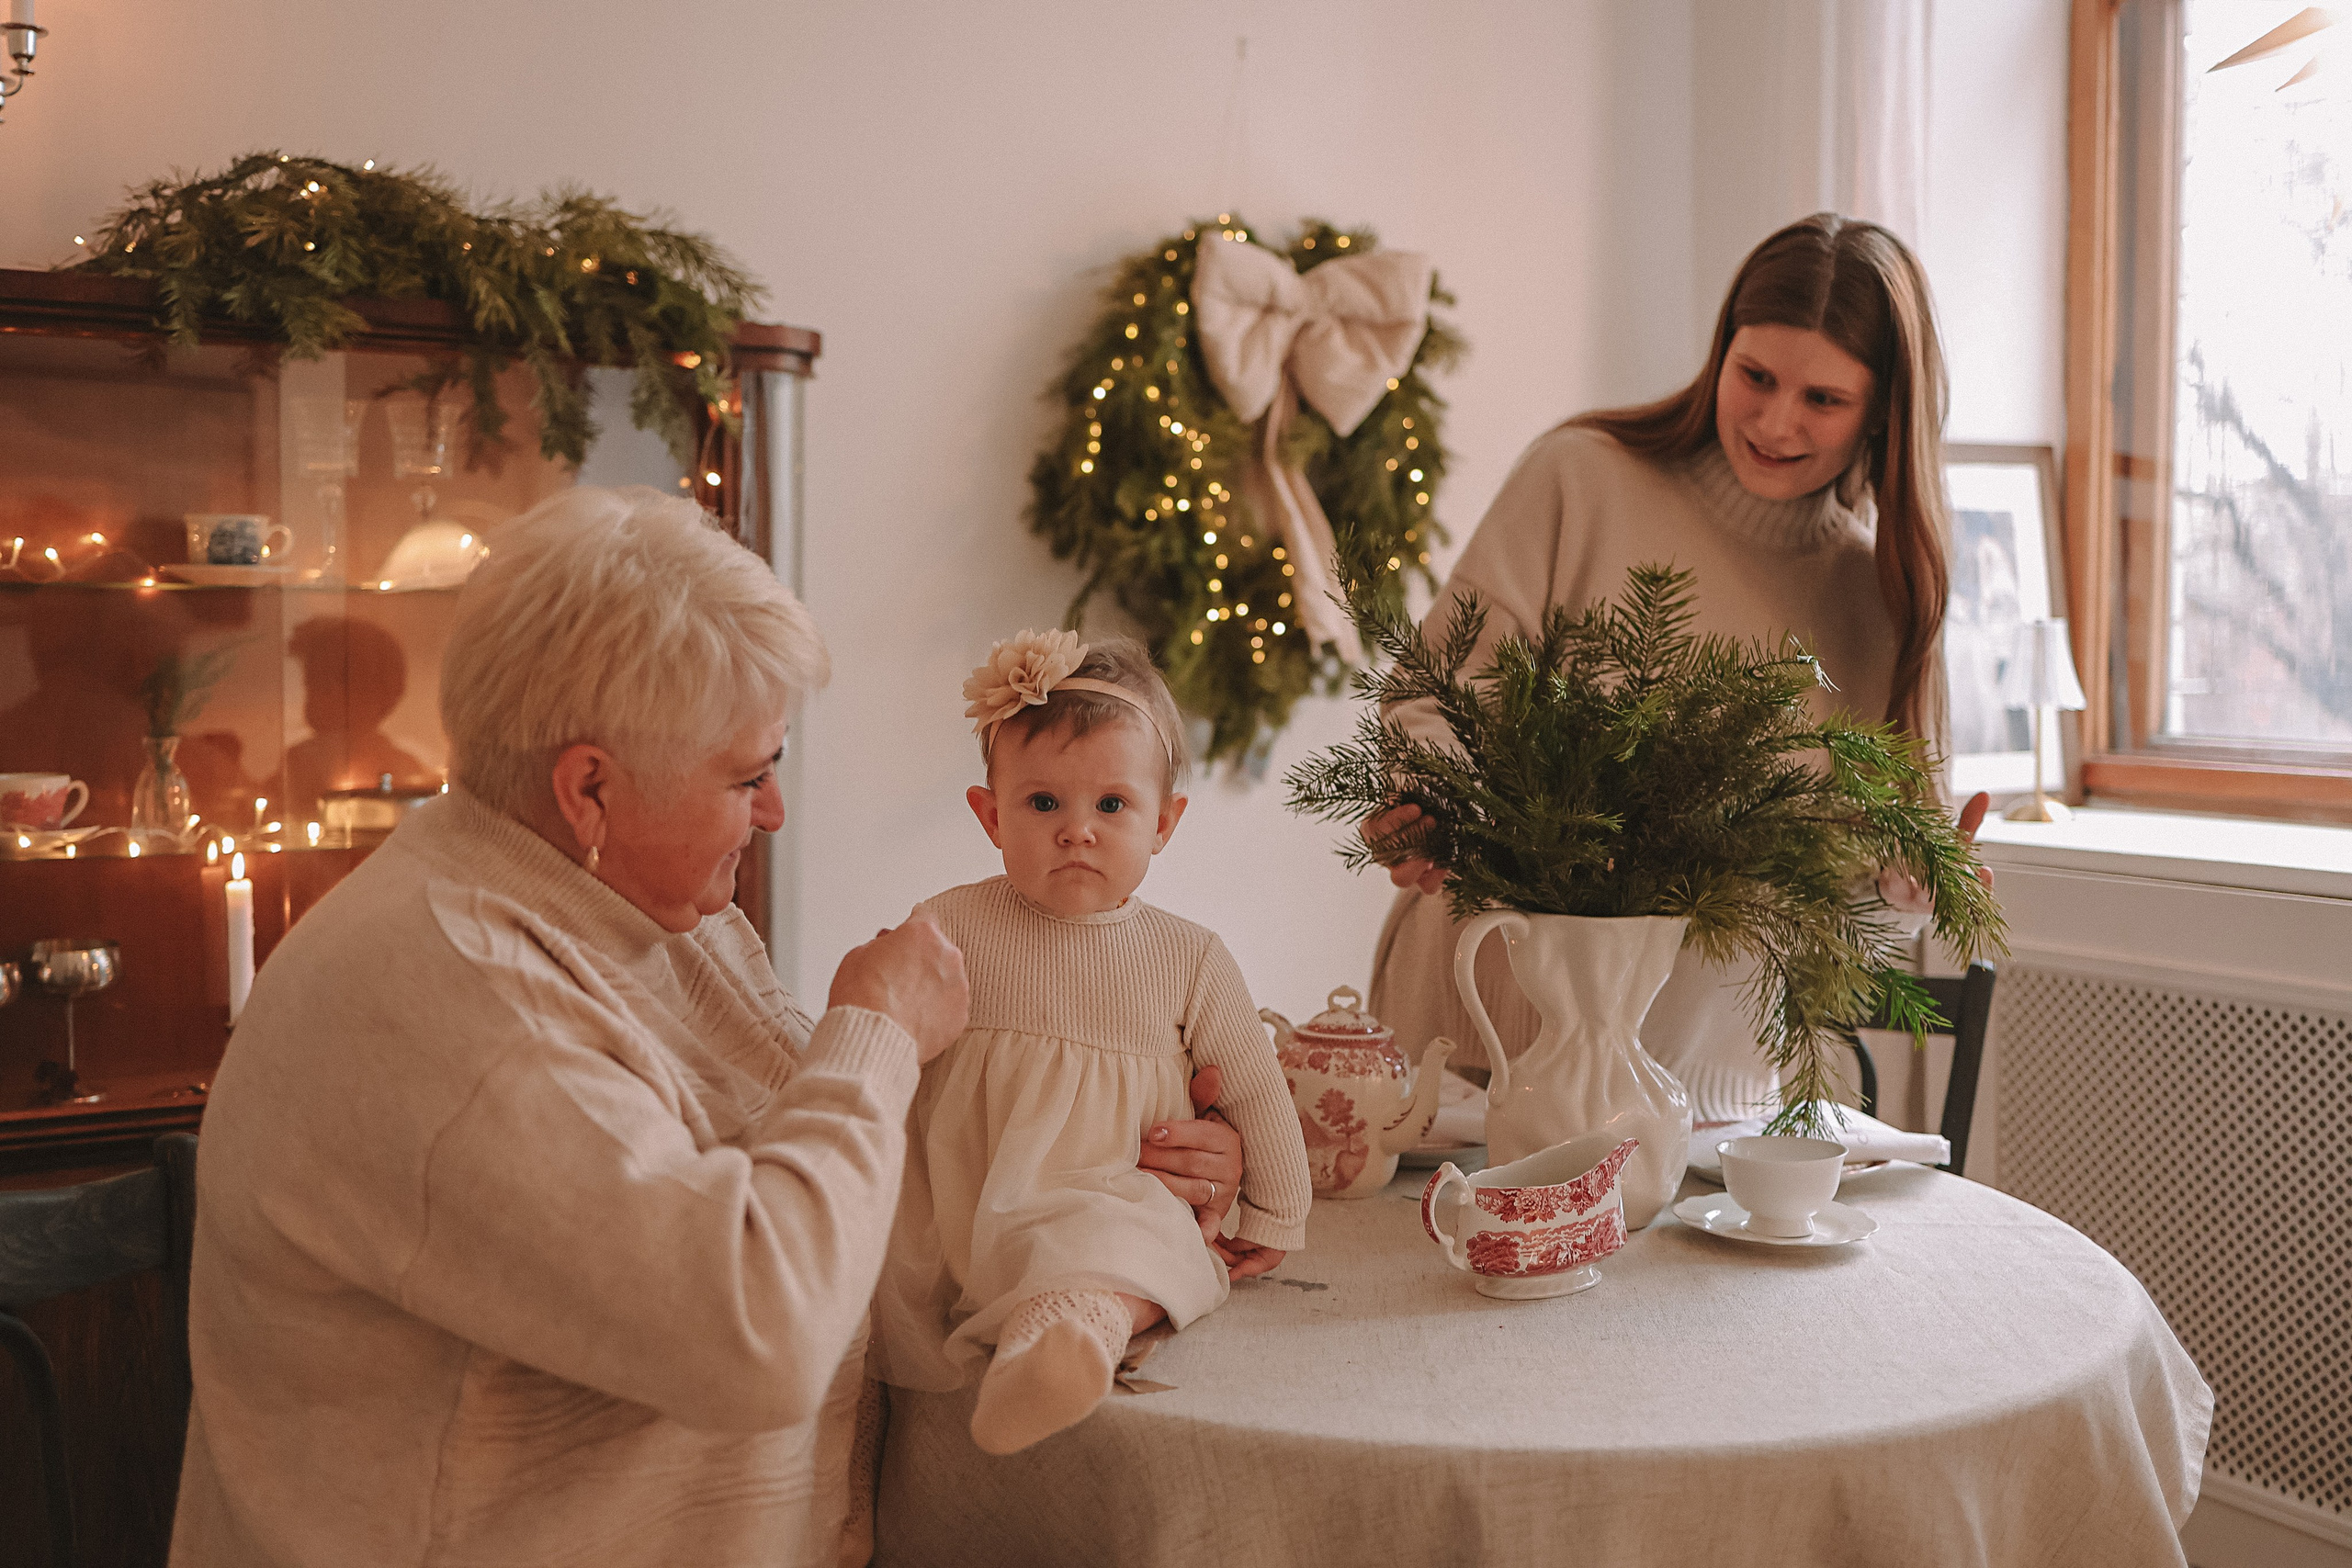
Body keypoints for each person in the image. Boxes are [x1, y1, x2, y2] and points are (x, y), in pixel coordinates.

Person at [169, 489, 1244, 1568]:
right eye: (749, 774)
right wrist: (871, 1031)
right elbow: (761, 1331)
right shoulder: (456, 998)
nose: (774, 811)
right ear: (588, 789)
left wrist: (1142, 1153)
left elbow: (844, 1191)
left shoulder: (646, 910)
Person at [1367, 213, 1988, 1123]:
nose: (1776, 422)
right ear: (1719, 356)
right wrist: (1443, 814)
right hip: (1480, 1042)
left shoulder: (1880, 600)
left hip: (1705, 1096)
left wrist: (1903, 886)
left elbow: (1852, 893)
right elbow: (1439, 694)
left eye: (1823, 399)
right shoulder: (1581, 478)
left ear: (1883, 411)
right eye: (1756, 376)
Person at [871, 631, 1312, 1455]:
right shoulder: (949, 926)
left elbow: (1254, 1089)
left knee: (1145, 1247)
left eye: (1111, 806)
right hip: (970, 1198)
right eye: (1044, 804)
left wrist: (1278, 1211)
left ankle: (1072, 1331)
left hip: (1115, 1187)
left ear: (1165, 822)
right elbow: (882, 1040)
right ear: (989, 812)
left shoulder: (1191, 955)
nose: (1078, 830)